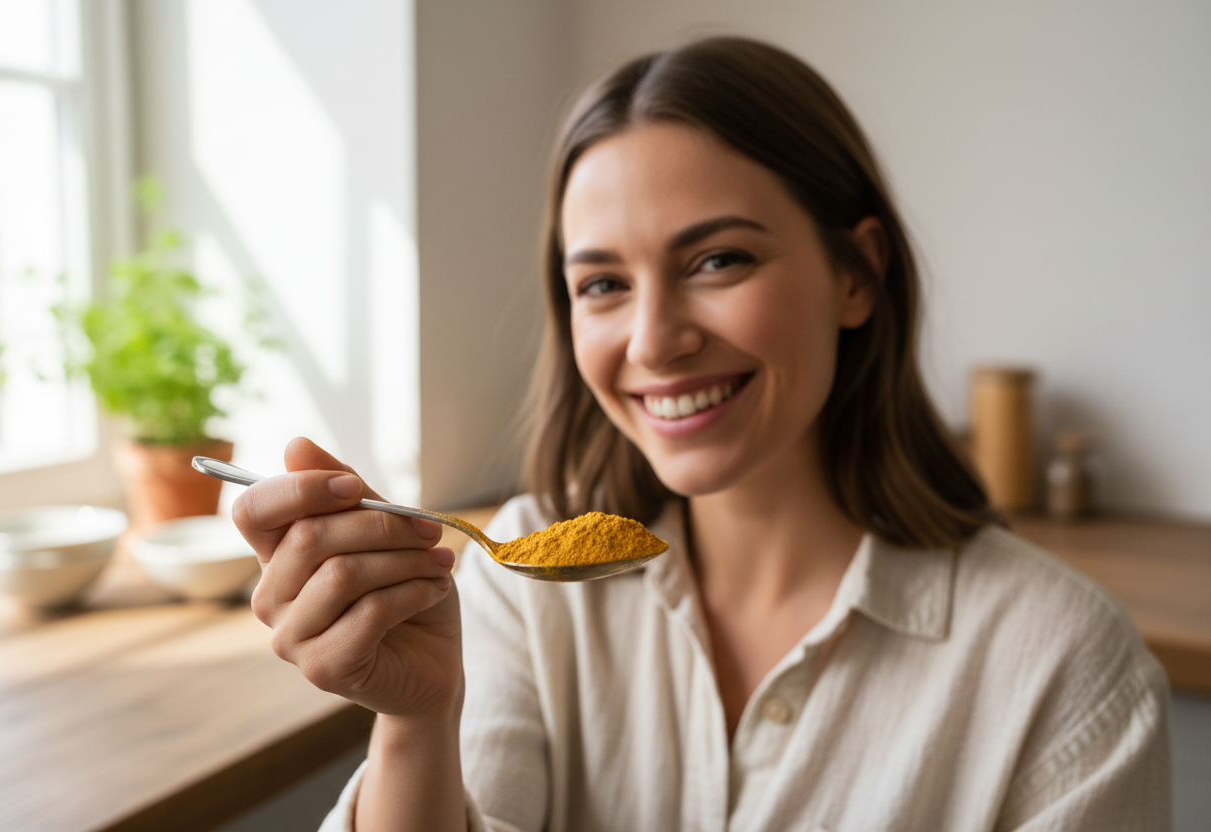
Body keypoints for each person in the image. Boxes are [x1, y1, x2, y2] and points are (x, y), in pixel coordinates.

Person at [233, 37, 1170, 832]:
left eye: (719, 259)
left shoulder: (1062, 663)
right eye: (603, 283)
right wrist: (415, 721)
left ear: (858, 275)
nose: (654, 341)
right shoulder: (525, 590)